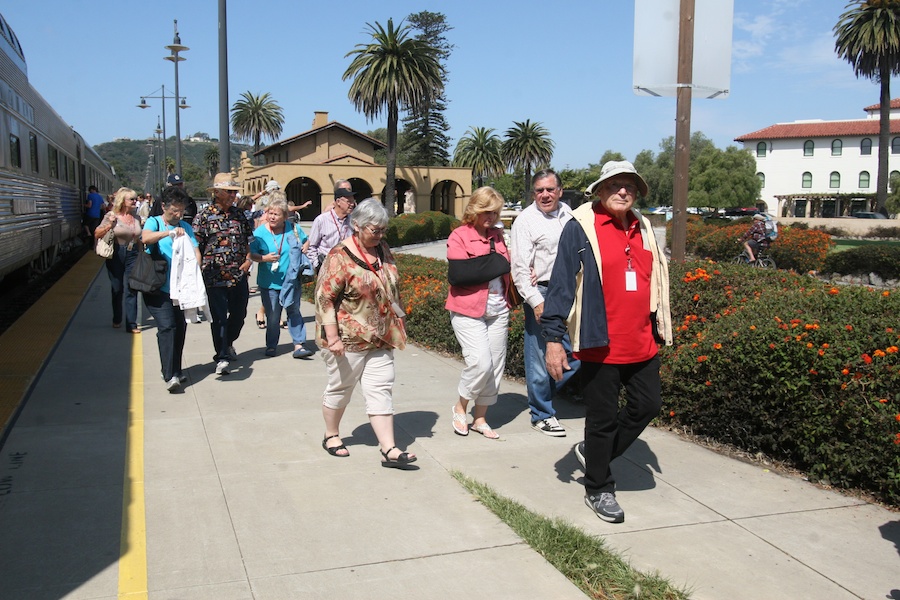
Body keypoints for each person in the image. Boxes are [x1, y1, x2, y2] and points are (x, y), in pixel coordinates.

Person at [542, 160, 673, 523]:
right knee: (601, 419)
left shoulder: (643, 227)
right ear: (600, 190)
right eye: (614, 185)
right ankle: (598, 487)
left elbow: (655, 281)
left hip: (641, 341)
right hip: (600, 342)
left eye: (629, 185)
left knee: (647, 405)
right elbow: (562, 284)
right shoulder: (580, 228)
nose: (622, 191)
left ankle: (592, 453)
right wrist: (554, 339)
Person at [314, 199, 416, 469]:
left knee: (381, 389)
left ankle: (390, 449)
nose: (380, 235)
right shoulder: (339, 256)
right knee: (341, 388)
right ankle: (332, 434)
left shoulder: (382, 248)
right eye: (375, 230)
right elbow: (324, 298)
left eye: (384, 230)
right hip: (347, 338)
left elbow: (390, 285)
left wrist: (399, 318)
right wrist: (333, 337)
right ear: (356, 226)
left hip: (381, 336)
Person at [510, 169, 580, 437]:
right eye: (539, 190)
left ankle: (544, 395)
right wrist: (536, 302)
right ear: (533, 193)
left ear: (560, 191)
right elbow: (519, 269)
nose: (545, 195)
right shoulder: (525, 221)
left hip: (573, 290)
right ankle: (541, 414)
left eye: (550, 189)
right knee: (540, 356)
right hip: (543, 292)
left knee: (578, 352)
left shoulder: (571, 216)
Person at [446, 187, 514, 440]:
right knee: (480, 363)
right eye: (487, 212)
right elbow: (459, 275)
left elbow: (506, 266)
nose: (492, 217)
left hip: (498, 309)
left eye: (495, 212)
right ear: (474, 210)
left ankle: (480, 417)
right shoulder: (459, 235)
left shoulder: (499, 236)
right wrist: (496, 264)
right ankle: (461, 406)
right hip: (467, 310)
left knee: (495, 366)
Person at [141, 189, 203, 392]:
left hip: (179, 289)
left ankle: (175, 369)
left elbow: (195, 250)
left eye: (181, 211)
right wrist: (168, 233)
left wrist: (196, 270)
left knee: (179, 329)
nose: (178, 215)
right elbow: (146, 238)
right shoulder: (155, 222)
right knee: (167, 328)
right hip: (157, 287)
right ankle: (169, 375)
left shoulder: (186, 227)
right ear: (164, 207)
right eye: (174, 211)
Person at [192, 173, 253, 376]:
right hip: (214, 276)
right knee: (219, 318)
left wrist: (248, 260)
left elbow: (247, 242)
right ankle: (222, 357)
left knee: (240, 315)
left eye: (235, 191)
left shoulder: (240, 215)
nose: (233, 195)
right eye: (229, 191)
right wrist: (198, 269)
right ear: (217, 193)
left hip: (238, 274)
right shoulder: (203, 216)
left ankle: (227, 343)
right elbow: (196, 245)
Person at [249, 193, 314, 359]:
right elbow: (251, 254)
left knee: (294, 312)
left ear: (285, 216)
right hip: (269, 283)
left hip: (291, 281)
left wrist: (305, 248)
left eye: (276, 214)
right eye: (270, 213)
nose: (272, 216)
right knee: (273, 317)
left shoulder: (292, 228)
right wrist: (265, 258)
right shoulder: (260, 233)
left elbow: (305, 240)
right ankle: (271, 345)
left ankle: (299, 345)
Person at [94, 187, 143, 332]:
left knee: (131, 288)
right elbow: (97, 233)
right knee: (117, 288)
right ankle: (117, 317)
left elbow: (139, 237)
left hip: (133, 253)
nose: (135, 201)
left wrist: (143, 252)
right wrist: (110, 225)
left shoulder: (137, 217)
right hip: (116, 253)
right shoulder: (111, 215)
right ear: (123, 201)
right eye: (132, 199)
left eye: (135, 199)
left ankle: (131, 324)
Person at [307, 187, 355, 272]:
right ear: (338, 202)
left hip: (347, 267)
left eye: (353, 201)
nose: (352, 204)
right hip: (326, 267)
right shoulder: (322, 220)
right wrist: (317, 265)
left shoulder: (353, 221)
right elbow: (311, 246)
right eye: (349, 202)